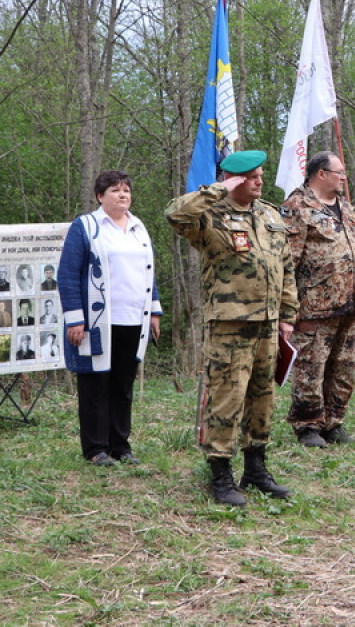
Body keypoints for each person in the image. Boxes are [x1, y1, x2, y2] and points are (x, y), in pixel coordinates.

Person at [166, 150, 298, 506]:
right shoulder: (209, 215)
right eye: (251, 176)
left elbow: (284, 266)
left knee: (262, 397)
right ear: (235, 179)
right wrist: (217, 189)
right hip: (230, 323)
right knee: (227, 398)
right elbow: (175, 213)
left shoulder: (269, 214)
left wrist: (288, 314)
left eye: (259, 175)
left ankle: (256, 469)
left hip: (268, 324)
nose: (259, 180)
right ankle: (220, 475)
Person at [59, 170, 162, 468]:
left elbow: (149, 274)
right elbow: (67, 275)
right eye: (115, 190)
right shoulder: (86, 227)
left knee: (122, 385)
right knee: (95, 384)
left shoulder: (139, 228)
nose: (123, 195)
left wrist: (154, 311)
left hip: (134, 319)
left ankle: (120, 445)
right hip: (97, 321)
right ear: (100, 196)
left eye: (126, 190)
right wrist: (75, 320)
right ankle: (95, 448)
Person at [280, 151, 355, 449]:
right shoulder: (297, 206)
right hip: (315, 307)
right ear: (321, 174)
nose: (343, 177)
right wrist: (289, 310)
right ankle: (307, 425)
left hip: (350, 303)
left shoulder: (345, 206)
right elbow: (287, 262)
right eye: (339, 172)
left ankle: (333, 422)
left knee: (343, 369)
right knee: (311, 369)